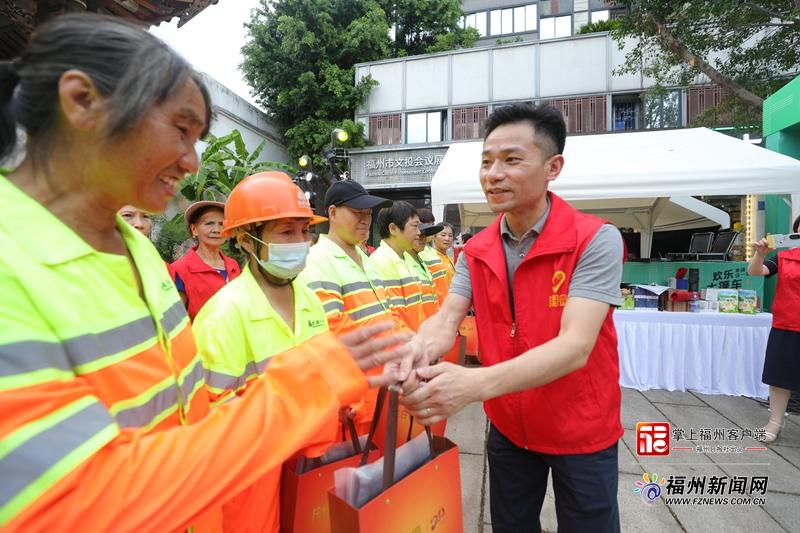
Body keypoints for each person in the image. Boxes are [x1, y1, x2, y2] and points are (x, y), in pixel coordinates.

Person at [0, 14, 409, 532]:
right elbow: (81, 499)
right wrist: (313, 383)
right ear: (83, 102)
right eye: (180, 129)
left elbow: (190, 421)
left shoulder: (138, 252)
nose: (193, 162)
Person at [401, 104, 625, 533]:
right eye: (486, 161)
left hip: (580, 429)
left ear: (553, 166)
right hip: (509, 426)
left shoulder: (594, 240)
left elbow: (575, 347)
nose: (493, 173)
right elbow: (446, 319)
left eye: (512, 160)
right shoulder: (478, 249)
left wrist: (473, 384)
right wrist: (416, 349)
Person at [192, 172, 336, 531]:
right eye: (287, 232)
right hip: (250, 484)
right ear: (246, 240)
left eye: (305, 231)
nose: (302, 242)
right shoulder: (223, 316)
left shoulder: (308, 299)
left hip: (308, 467)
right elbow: (214, 426)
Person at [298, 180, 412, 434]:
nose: (365, 220)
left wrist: (411, 344)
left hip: (385, 387)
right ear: (333, 213)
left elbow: (389, 312)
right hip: (355, 399)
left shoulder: (365, 259)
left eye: (368, 214)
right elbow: (332, 330)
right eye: (357, 213)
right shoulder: (318, 261)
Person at [747, 215, 800, 443]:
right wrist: (760, 254)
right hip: (787, 323)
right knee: (779, 377)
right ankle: (776, 421)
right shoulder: (785, 257)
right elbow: (755, 272)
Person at [170, 200, 241, 320]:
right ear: (194, 229)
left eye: (221, 224)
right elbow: (175, 319)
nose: (217, 230)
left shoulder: (233, 265)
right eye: (209, 223)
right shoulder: (179, 269)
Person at [369, 201, 424, 331]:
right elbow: (392, 314)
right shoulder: (381, 261)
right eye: (415, 226)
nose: (419, 233)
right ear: (393, 229)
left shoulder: (407, 258)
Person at [431, 222, 456, 289]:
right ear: (434, 236)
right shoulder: (430, 257)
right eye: (443, 235)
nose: (447, 239)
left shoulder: (449, 258)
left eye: (450, 236)